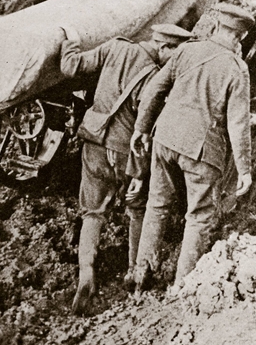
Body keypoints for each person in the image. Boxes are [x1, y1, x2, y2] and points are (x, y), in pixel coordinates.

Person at [61, 23, 192, 314]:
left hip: (94, 142)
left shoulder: (115, 47)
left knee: (93, 211)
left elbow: (71, 67)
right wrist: (139, 172)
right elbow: (146, 130)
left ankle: (86, 275)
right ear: (163, 47)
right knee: (137, 208)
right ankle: (133, 272)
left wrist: (70, 39)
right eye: (175, 53)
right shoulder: (155, 79)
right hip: (125, 153)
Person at [130, 3, 255, 292]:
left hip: (164, 139)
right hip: (200, 151)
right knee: (199, 216)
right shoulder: (237, 68)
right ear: (239, 37)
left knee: (156, 204)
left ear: (216, 26)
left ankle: (140, 276)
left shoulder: (186, 50)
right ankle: (182, 288)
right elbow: (238, 123)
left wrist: (141, 129)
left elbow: (154, 90)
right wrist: (244, 168)